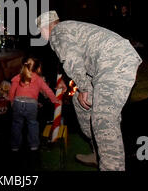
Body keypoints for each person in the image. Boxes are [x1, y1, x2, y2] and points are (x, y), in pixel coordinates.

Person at [36, 10, 142, 171]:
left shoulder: (57, 32)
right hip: (107, 64)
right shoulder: (69, 28)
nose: (41, 36)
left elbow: (71, 59)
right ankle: (98, 153)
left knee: (103, 118)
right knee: (79, 100)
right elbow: (80, 57)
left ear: (45, 28)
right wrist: (72, 84)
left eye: (40, 32)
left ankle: (112, 167)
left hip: (115, 63)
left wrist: (84, 87)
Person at [9, 57, 60, 152]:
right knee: (33, 124)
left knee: (16, 124)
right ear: (37, 68)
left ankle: (15, 146)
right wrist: (55, 100)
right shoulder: (39, 79)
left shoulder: (18, 77)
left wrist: (11, 101)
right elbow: (47, 90)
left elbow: (12, 91)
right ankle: (34, 145)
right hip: (31, 105)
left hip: (18, 103)